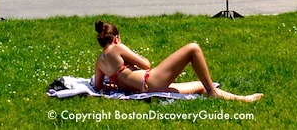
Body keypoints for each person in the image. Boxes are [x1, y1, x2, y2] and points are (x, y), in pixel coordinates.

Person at [93, 20, 263, 102]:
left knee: (201, 85)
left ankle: (242, 99)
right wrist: (135, 64)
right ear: (116, 38)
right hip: (150, 80)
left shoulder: (99, 61)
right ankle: (213, 92)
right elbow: (146, 65)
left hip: (144, 89)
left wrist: (117, 82)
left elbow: (98, 87)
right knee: (193, 48)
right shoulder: (117, 47)